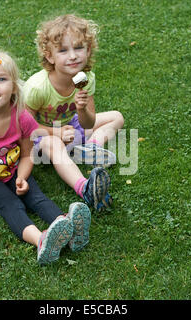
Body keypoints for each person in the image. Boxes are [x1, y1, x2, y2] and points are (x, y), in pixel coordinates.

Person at [0, 49, 92, 265]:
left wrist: (23, 177)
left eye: (1, 79)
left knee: (37, 198)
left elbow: (26, 154)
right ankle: (41, 240)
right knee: (11, 205)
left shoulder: (21, 117)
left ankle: (69, 227)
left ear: (14, 86)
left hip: (14, 170)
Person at [24, 14, 124, 212]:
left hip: (73, 127)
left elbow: (88, 123)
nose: (73, 56)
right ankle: (84, 187)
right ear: (49, 56)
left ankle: (91, 149)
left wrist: (82, 109)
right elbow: (25, 127)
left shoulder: (87, 79)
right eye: (63, 50)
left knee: (116, 117)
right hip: (43, 139)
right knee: (53, 143)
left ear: (88, 50)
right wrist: (57, 134)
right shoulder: (38, 87)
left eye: (79, 48)